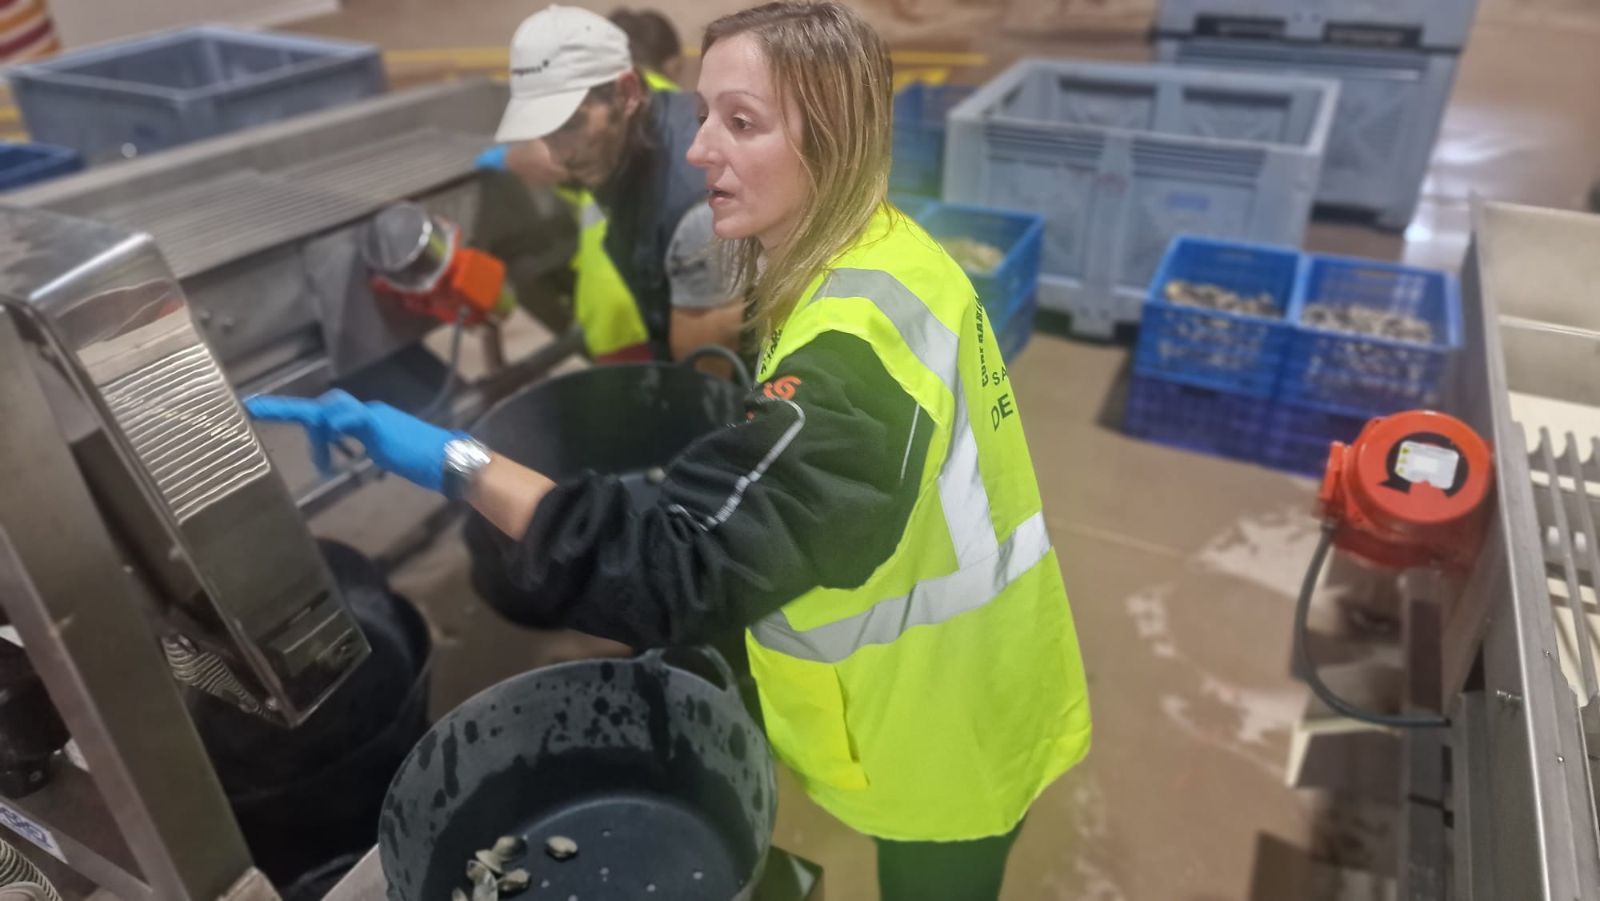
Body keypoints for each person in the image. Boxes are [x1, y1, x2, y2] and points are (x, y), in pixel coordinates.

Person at [246, 3, 1090, 898]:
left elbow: (673, 563)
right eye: (703, 113)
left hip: (949, 721)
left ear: (834, 137)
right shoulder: (875, 253)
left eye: (742, 122)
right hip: (964, 672)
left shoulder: (853, 356)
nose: (699, 151)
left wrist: (453, 460)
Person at [477, 5, 741, 363]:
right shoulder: (621, 147)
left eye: (570, 125)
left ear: (628, 92)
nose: (559, 156)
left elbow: (710, 376)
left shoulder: (697, 206)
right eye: (543, 131)